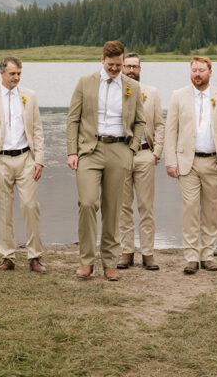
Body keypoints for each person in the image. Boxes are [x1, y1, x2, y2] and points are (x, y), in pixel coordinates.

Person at [66, 39, 145, 281]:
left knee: (112, 209)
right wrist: (72, 151)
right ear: (102, 60)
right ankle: (86, 261)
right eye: (111, 64)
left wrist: (131, 150)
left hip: (119, 150)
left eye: (119, 65)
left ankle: (110, 263)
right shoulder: (85, 83)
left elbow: (140, 122)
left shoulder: (132, 86)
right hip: (90, 150)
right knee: (88, 203)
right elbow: (73, 119)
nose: (115, 69)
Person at [165, 55, 217, 274]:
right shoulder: (178, 96)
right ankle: (191, 256)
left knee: (211, 210)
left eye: (201, 70)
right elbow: (171, 131)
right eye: (194, 70)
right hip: (187, 162)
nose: (197, 74)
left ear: (210, 72)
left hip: (214, 162)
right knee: (190, 210)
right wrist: (171, 161)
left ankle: (207, 255)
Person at [0, 56, 46, 273]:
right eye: (12, 74)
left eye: (19, 74)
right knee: (4, 210)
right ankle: (8, 257)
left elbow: (37, 130)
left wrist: (39, 160)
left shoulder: (30, 96)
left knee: (30, 206)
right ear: (2, 73)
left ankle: (35, 256)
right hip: (1, 160)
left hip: (26, 158)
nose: (16, 77)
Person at [117, 52, 165, 272]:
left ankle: (148, 253)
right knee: (123, 207)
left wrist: (157, 153)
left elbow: (160, 124)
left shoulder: (151, 93)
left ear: (140, 69)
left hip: (145, 155)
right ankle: (127, 252)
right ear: (121, 67)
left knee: (146, 207)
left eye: (134, 67)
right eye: (127, 66)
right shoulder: (113, 92)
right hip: (121, 155)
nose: (130, 70)